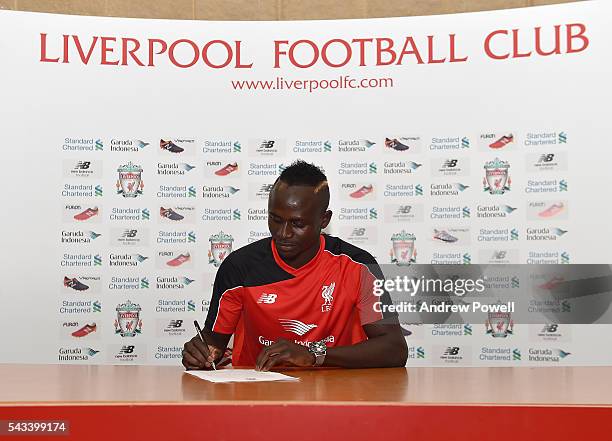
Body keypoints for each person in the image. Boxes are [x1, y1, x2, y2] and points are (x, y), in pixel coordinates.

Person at [182, 160, 407, 371]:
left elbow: (394, 349)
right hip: (256, 392)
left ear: (324, 220)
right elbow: (215, 344)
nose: (283, 233)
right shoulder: (239, 267)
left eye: (298, 223)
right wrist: (200, 353)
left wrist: (314, 355)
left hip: (335, 393)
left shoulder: (358, 266)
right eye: (276, 220)